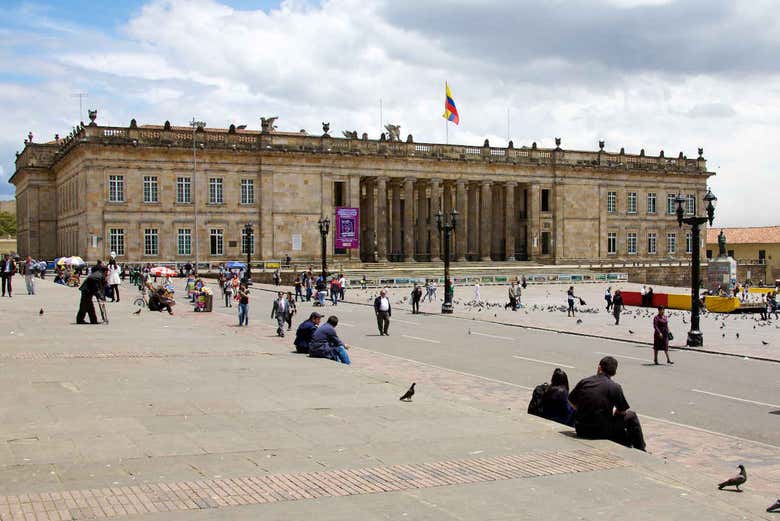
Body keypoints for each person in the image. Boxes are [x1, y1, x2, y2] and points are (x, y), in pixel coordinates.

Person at [569, 356, 646, 451]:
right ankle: (641, 448)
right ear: (614, 372)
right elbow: (622, 411)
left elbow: (571, 400)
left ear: (599, 368)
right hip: (601, 431)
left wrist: (583, 409)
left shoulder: (585, 382)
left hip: (581, 429)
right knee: (631, 415)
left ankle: (625, 440)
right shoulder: (615, 387)